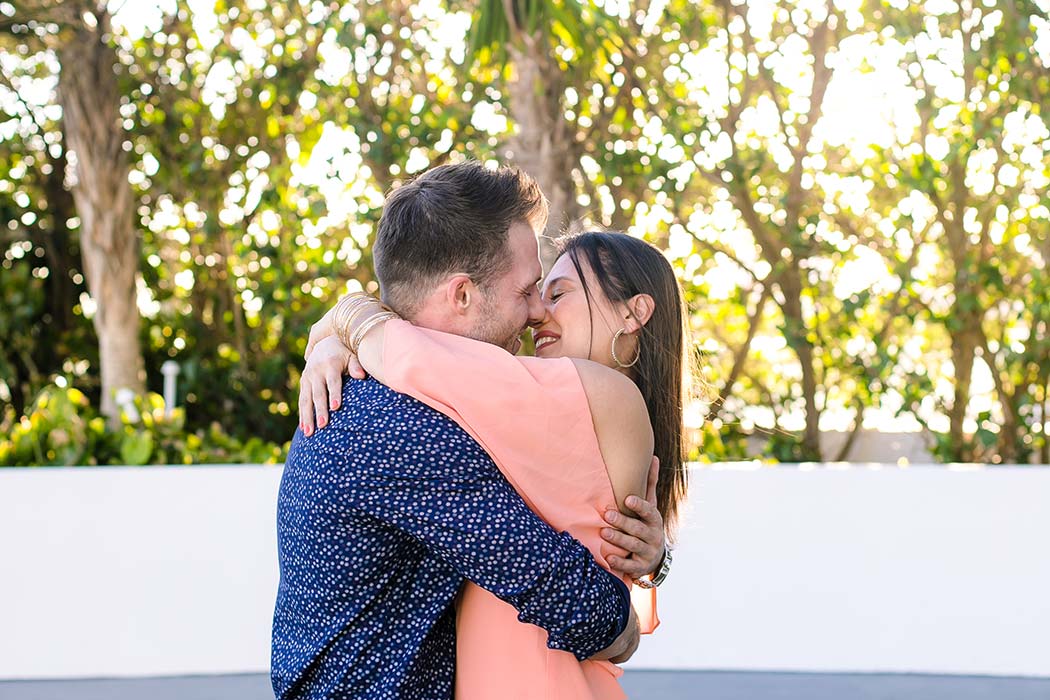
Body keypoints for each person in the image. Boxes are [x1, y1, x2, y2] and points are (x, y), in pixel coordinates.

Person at [271, 162, 666, 700]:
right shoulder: (408, 423)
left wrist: (350, 321)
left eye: (553, 294)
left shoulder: (393, 391)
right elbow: (564, 591)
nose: (534, 314)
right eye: (528, 290)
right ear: (461, 296)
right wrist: (623, 630)